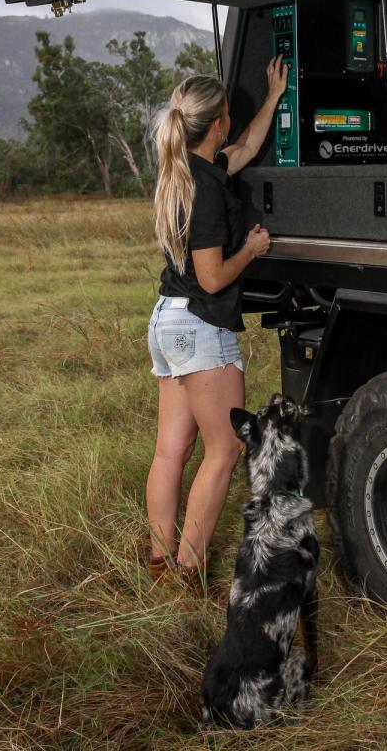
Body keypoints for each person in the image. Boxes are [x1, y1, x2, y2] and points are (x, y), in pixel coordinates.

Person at [145, 59, 288, 585]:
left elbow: (246, 148)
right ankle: (187, 571)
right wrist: (250, 249)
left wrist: (273, 96)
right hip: (201, 325)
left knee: (172, 450)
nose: (233, 123)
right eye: (229, 112)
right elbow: (211, 279)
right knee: (224, 449)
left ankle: (160, 562)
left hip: (168, 320)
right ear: (218, 122)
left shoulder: (188, 172)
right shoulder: (204, 190)